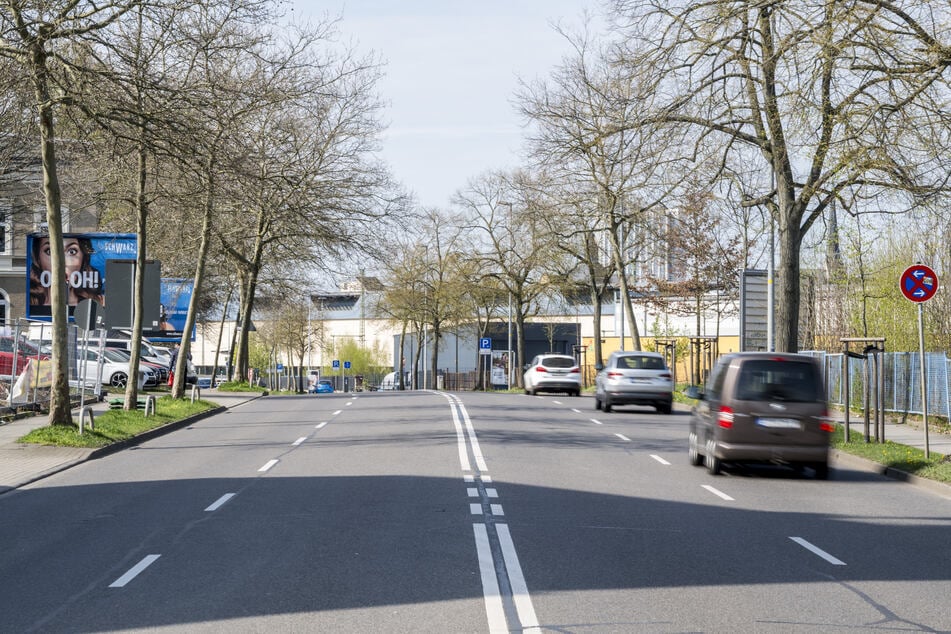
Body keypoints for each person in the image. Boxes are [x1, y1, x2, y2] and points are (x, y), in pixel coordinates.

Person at [30, 235, 104, 307]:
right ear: (38, 259)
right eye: (50, 251)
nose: (62, 263)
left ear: (83, 258)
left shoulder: (96, 304)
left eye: (72, 252)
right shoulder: (32, 303)